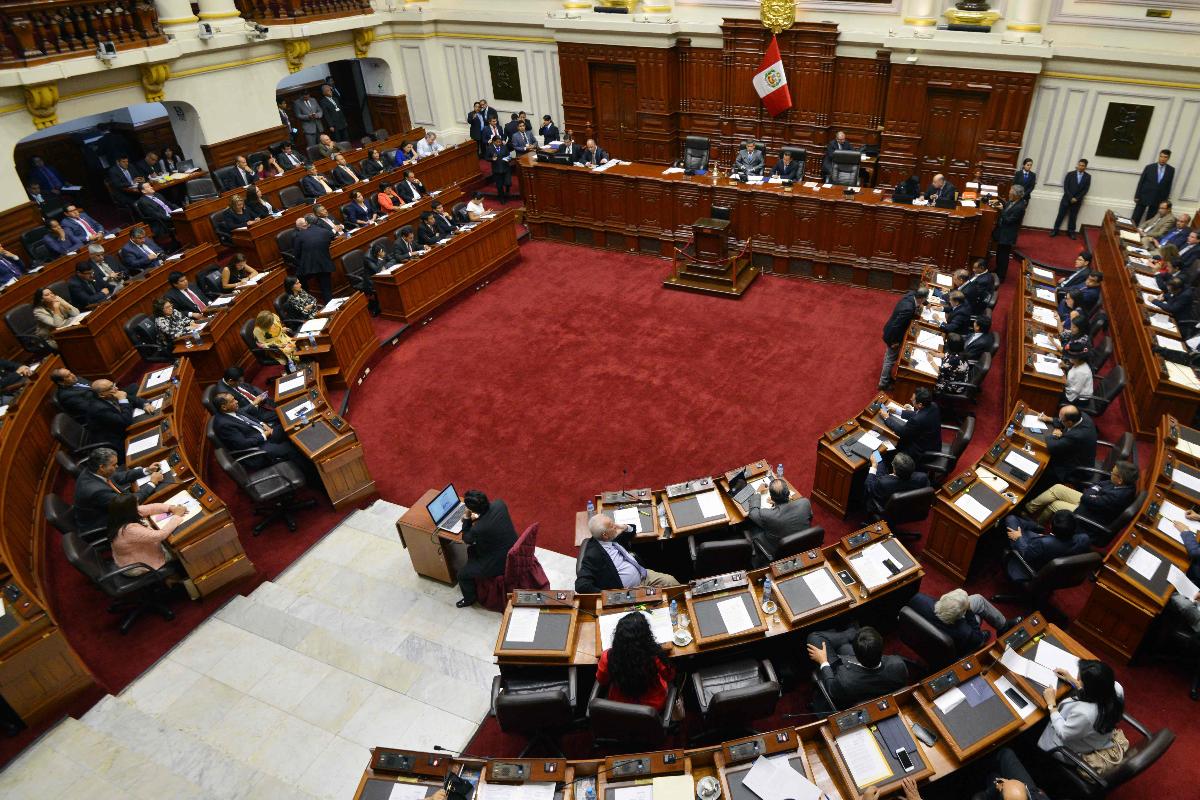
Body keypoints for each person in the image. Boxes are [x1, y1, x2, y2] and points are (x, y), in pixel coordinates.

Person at [1037, 659, 1126, 770]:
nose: (1077, 678)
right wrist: (1073, 680)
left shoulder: (1084, 714)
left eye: (1080, 679)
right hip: (1097, 737)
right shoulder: (1116, 688)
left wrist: (1051, 704)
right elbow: (1095, 693)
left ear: (1088, 687)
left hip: (1071, 748)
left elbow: (1063, 733)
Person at [806, 625, 907, 712]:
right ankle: (849, 633)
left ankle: (849, 633)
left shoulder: (843, 680)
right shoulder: (898, 665)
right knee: (844, 648)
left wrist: (823, 662)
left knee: (814, 637)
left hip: (849, 683)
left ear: (856, 656)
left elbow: (832, 688)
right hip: (865, 685)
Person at [576, 513, 678, 593]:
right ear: (605, 535)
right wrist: (608, 596)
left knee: (671, 581)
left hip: (643, 575)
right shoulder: (592, 555)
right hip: (631, 591)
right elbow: (581, 585)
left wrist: (624, 527)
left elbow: (632, 530)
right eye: (612, 526)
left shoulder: (610, 536)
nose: (616, 526)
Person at [595, 612, 675, 711]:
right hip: (653, 706)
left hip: (619, 707)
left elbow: (602, 680)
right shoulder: (655, 656)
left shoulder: (607, 657)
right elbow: (669, 676)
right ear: (646, 636)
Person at [453, 489, 520, 607]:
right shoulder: (500, 504)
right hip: (513, 548)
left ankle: (469, 599)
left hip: (499, 563)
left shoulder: (479, 528)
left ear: (473, 510)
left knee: (461, 575)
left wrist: (467, 518)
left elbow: (467, 538)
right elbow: (489, 520)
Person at [72, 448, 164, 532]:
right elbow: (128, 503)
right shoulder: (97, 491)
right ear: (102, 467)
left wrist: (146, 470)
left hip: (110, 505)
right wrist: (152, 483)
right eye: (114, 465)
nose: (117, 467)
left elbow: (119, 476)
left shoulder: (94, 471)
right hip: (102, 522)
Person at [1025, 460, 1138, 528]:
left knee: (1055, 505)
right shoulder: (1124, 483)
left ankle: (1037, 525)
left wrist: (1093, 492)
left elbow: (1088, 496)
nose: (1110, 474)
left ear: (1120, 480)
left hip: (1090, 514)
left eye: (1113, 473)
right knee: (1058, 488)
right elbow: (1098, 484)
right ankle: (1029, 508)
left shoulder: (1117, 496)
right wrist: (1094, 492)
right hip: (1091, 502)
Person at [211, 391, 307, 470]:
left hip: (263, 434)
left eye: (235, 399)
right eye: (232, 401)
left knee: (288, 426)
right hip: (259, 447)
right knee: (290, 449)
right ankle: (312, 476)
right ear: (224, 407)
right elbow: (243, 444)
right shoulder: (224, 425)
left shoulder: (231, 409)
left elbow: (250, 418)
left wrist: (262, 424)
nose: (236, 401)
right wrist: (266, 434)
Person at [909, 589, 1020, 655]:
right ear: (960, 614)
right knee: (978, 608)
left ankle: (1004, 626)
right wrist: (969, 612)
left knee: (977, 599)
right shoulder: (965, 632)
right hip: (958, 642)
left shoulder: (918, 599)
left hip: (928, 630)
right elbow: (978, 640)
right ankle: (1003, 627)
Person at [107, 493, 185, 574]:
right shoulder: (129, 530)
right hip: (138, 564)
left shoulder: (119, 515)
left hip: (133, 553)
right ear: (130, 509)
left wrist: (171, 508)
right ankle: (176, 578)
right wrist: (177, 516)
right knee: (180, 550)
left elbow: (150, 508)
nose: (138, 506)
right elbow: (160, 535)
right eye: (136, 504)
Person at [1004, 510, 1092, 582]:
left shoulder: (1043, 543)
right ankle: (1034, 526)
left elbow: (1026, 554)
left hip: (1031, 569)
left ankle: (1034, 526)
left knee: (1011, 519)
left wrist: (1018, 537)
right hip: (1056, 570)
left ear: (1051, 526)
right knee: (1025, 530)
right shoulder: (1084, 539)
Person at [745, 477, 813, 567]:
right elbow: (810, 517)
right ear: (788, 493)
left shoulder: (767, 514)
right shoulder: (805, 503)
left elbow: (753, 514)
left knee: (752, 529)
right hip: (803, 545)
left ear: (772, 497)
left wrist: (757, 493)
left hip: (779, 549)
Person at [878, 287, 929, 390]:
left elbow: (916, 293)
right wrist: (894, 341)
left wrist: (926, 303)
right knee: (890, 359)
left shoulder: (911, 294)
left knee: (889, 357)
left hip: (891, 330)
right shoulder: (908, 309)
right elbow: (896, 326)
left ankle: (886, 378)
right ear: (922, 298)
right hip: (893, 335)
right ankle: (883, 384)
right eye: (924, 299)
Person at [1036, 405, 1098, 485]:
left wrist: (1054, 435)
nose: (1059, 420)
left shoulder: (1077, 435)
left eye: (1061, 420)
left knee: (1042, 467)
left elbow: (1053, 446)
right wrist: (1048, 419)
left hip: (1075, 469)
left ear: (1069, 422)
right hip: (1078, 454)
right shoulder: (1081, 416)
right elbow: (1064, 423)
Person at [880, 387, 941, 461]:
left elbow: (902, 432)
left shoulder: (917, 420)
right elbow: (918, 414)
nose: (911, 399)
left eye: (913, 399)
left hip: (920, 452)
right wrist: (897, 411)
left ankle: (885, 463)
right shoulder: (933, 406)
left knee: (888, 448)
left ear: (920, 405)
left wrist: (886, 418)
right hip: (934, 444)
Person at [86, 378, 147, 451]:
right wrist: (122, 400)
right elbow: (125, 421)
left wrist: (145, 404)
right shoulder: (99, 409)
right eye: (110, 388)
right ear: (101, 395)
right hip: (117, 440)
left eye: (113, 385)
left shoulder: (110, 394)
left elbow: (133, 399)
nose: (116, 388)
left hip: (124, 425)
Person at [865, 451, 930, 515]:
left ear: (894, 469)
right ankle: (877, 453)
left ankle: (876, 452)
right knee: (880, 462)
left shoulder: (883, 483)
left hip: (886, 506)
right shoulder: (922, 477)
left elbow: (869, 485)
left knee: (878, 461)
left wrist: (874, 465)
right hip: (908, 505)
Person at [294, 213, 336, 302]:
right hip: (324, 264)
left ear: (306, 222)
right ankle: (331, 307)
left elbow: (297, 253)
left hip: (308, 267)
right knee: (326, 290)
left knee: (299, 279)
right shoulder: (325, 232)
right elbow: (332, 237)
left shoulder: (300, 234)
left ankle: (308, 301)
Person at [992, 185, 1027, 280]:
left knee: (1003, 256)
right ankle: (998, 270)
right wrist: (999, 200)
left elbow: (1008, 220)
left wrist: (1001, 210)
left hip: (1007, 235)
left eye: (1010, 193)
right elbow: (1007, 206)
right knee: (999, 254)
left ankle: (1001, 276)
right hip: (1002, 232)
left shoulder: (1020, 207)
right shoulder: (1013, 201)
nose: (1009, 194)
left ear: (1016, 195)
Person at [1132, 148, 1175, 225]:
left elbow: (1169, 185)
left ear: (1168, 158)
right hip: (1144, 195)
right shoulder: (1149, 167)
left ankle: (1144, 232)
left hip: (1158, 197)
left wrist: (1165, 200)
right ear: (1159, 156)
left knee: (1151, 217)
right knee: (1136, 216)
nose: (1162, 159)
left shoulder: (1171, 170)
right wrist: (1137, 195)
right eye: (1161, 156)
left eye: (1165, 157)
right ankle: (1131, 229)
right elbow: (1141, 182)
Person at [1051, 158, 1090, 239]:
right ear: (1077, 165)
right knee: (1060, 215)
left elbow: (1085, 190)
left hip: (1077, 201)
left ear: (1085, 167)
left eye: (1082, 166)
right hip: (1066, 199)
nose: (1080, 167)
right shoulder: (1070, 174)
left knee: (1073, 217)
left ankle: (1071, 232)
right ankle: (1055, 230)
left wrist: (1076, 198)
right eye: (1079, 165)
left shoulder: (1088, 177)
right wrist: (1070, 197)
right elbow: (1065, 187)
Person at [1059, 340, 1093, 405]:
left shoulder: (1082, 372)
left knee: (1054, 391)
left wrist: (1063, 384)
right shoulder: (1079, 363)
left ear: (1076, 358)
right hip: (1072, 390)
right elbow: (1074, 371)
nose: (1068, 358)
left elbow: (1074, 392)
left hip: (1078, 399)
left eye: (1069, 356)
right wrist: (1065, 366)